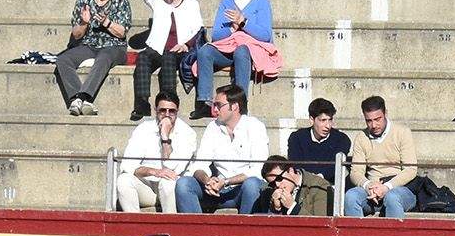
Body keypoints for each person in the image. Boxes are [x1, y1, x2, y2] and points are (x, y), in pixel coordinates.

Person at [195, 0, 273, 117]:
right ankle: (204, 102)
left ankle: (240, 103)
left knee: (242, 50)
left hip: (249, 52)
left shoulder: (261, 1)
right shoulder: (226, 2)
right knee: (205, 51)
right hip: (226, 49)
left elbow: (265, 35)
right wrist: (232, 29)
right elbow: (216, 35)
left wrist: (243, 23)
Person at [178, 83, 268, 213]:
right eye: (214, 105)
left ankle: (246, 232)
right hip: (216, 190)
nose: (214, 109)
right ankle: (197, 232)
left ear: (235, 106)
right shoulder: (213, 127)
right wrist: (208, 180)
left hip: (241, 190)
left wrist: (226, 182)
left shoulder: (255, 127)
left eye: (218, 105)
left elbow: (257, 170)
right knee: (184, 184)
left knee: (252, 184)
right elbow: (198, 165)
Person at [130, 0, 203, 122]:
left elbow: (198, 29)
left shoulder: (191, 3)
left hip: (180, 50)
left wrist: (186, 45)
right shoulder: (156, 0)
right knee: (143, 57)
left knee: (169, 58)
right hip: (157, 48)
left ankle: (169, 103)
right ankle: (142, 104)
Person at [56, 0, 132, 116]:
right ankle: (76, 99)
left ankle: (84, 97)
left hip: (115, 46)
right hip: (89, 45)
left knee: (104, 57)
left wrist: (107, 23)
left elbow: (122, 32)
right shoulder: (84, 0)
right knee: (63, 59)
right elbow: (76, 35)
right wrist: (84, 23)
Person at [343, 95, 418, 218]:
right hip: (372, 190)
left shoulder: (402, 133)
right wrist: (368, 186)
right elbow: (356, 172)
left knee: (392, 197)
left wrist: (386, 187)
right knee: (351, 196)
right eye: (369, 121)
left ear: (385, 113)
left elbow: (411, 169)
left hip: (400, 188)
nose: (373, 125)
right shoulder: (361, 137)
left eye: (378, 119)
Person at [116, 91, 191, 212]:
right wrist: (153, 171)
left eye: (171, 111)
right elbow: (128, 165)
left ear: (177, 111)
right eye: (162, 110)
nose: (167, 115)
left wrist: (165, 137)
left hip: (171, 190)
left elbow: (173, 168)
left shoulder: (187, 133)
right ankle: (135, 228)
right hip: (147, 186)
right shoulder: (143, 129)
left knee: (167, 182)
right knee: (123, 180)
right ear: (155, 110)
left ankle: (171, 227)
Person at [286, 97, 351, 183]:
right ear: (312, 120)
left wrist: (317, 179)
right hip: (303, 184)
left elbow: (334, 168)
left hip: (330, 186)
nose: (328, 125)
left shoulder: (342, 140)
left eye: (330, 120)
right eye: (323, 120)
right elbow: (296, 165)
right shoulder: (297, 138)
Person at [253, 154, 332, 216]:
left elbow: (321, 225)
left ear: (290, 170)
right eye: (272, 183)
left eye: (279, 179)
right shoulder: (270, 190)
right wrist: (275, 209)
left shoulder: (318, 186)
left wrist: (293, 207)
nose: (277, 185)